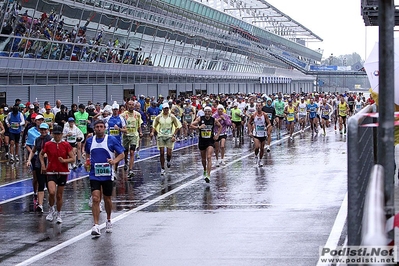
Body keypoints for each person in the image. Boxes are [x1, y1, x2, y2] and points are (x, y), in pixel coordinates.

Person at [85, 120, 125, 237]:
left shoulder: (111, 140)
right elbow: (87, 153)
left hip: (107, 174)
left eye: (101, 127)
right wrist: (87, 162)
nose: (99, 129)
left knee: (107, 199)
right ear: (94, 128)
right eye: (97, 127)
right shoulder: (89, 141)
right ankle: (96, 225)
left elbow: (121, 153)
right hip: (94, 174)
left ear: (105, 128)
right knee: (96, 198)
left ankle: (108, 219)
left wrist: (114, 161)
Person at [39, 125, 75, 223]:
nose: (57, 136)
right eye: (55, 134)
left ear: (62, 134)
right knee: (51, 192)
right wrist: (43, 165)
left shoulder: (66, 145)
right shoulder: (48, 144)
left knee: (59, 195)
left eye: (59, 134)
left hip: (63, 172)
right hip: (51, 171)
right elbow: (41, 154)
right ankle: (51, 209)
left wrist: (64, 160)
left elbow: (73, 158)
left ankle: (59, 213)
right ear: (52, 134)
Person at [190, 106, 222, 182]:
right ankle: (205, 170)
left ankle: (208, 175)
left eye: (209, 112)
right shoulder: (200, 119)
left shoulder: (213, 120)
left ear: (211, 113)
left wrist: (217, 135)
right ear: (204, 112)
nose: (207, 113)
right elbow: (191, 126)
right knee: (203, 159)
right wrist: (199, 127)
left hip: (210, 141)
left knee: (209, 157)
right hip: (202, 141)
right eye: (206, 111)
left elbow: (220, 126)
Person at [150, 100, 182, 175]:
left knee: (168, 153)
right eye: (165, 108)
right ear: (162, 109)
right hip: (161, 136)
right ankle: (162, 168)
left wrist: (174, 135)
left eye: (167, 108)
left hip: (169, 137)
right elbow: (154, 125)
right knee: (161, 153)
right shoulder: (158, 117)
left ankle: (168, 160)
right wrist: (152, 132)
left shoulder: (172, 117)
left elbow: (177, 126)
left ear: (169, 109)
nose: (166, 110)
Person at [27, 122, 52, 213]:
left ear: (47, 130)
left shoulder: (50, 140)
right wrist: (29, 160)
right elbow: (33, 150)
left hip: (49, 164)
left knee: (50, 185)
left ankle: (51, 204)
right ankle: (40, 205)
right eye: (41, 129)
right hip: (38, 163)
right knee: (40, 183)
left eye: (45, 129)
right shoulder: (37, 139)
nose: (43, 131)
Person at [121, 100, 143, 178]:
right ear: (127, 105)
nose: (131, 106)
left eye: (132, 105)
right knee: (126, 152)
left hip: (134, 135)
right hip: (126, 136)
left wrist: (140, 132)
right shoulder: (123, 115)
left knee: (132, 152)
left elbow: (139, 125)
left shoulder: (137, 114)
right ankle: (126, 162)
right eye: (129, 104)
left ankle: (130, 170)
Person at [248, 102, 272, 167]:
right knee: (257, 147)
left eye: (259, 106)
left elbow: (269, 123)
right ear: (256, 107)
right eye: (257, 106)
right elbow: (249, 123)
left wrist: (266, 127)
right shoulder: (253, 115)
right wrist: (250, 131)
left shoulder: (265, 115)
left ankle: (260, 160)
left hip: (263, 134)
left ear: (261, 107)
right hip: (256, 134)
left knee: (262, 149)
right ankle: (256, 155)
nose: (258, 107)